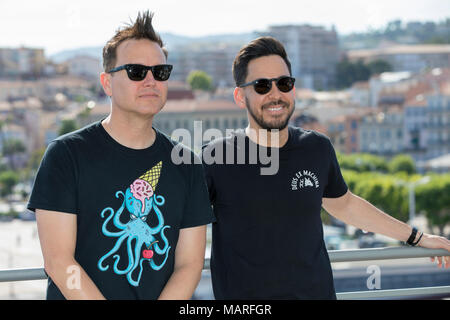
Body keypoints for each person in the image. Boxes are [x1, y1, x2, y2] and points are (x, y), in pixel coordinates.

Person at [202, 36, 450, 300]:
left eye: (284, 83)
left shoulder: (316, 148)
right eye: (262, 86)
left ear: (293, 90)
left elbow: (346, 206)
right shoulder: (217, 158)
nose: (275, 94)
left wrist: (417, 237)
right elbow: (183, 231)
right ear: (240, 96)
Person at [28, 11, 214, 300]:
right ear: (107, 83)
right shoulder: (66, 156)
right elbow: (60, 263)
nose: (151, 80)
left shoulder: (186, 163)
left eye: (160, 72)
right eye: (136, 71)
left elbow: (189, 265)